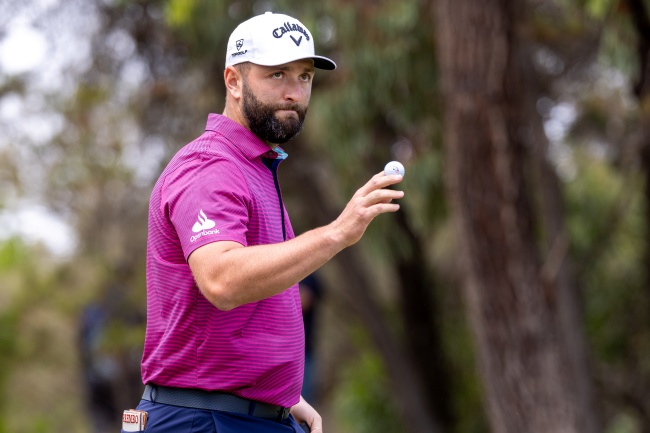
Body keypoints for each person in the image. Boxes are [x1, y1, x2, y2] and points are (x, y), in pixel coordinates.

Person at [127, 11, 404, 433]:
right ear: (233, 81)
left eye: (305, 77)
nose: (294, 92)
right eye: (277, 75)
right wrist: (337, 233)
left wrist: (283, 397)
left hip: (244, 415)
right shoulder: (210, 166)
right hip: (201, 420)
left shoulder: (254, 166)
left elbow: (248, 314)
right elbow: (222, 280)